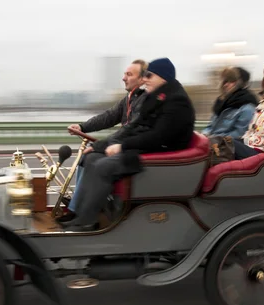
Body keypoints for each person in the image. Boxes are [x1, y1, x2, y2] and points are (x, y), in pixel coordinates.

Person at [63, 57, 196, 232]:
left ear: (163, 77)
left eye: (149, 75)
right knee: (92, 158)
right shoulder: (156, 97)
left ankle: (87, 221)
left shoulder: (177, 102)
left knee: (103, 166)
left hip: (160, 156)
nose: (145, 79)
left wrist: (122, 147)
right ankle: (80, 214)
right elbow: (132, 127)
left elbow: (158, 137)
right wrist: (99, 146)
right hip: (147, 150)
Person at [57, 59, 148, 225]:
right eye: (124, 74)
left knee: (91, 157)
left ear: (142, 79)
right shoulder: (129, 98)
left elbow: (129, 131)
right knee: (86, 158)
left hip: (131, 149)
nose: (123, 78)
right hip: (123, 146)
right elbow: (108, 117)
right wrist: (82, 126)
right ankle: (77, 209)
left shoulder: (145, 100)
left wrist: (100, 145)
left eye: (129, 74)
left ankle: (84, 212)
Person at [202, 66, 258, 138]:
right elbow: (210, 127)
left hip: (227, 146)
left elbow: (239, 133)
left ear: (240, 84)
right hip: (214, 143)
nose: (226, 84)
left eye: (231, 81)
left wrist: (214, 139)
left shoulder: (248, 107)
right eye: (225, 81)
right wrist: (204, 135)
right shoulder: (221, 104)